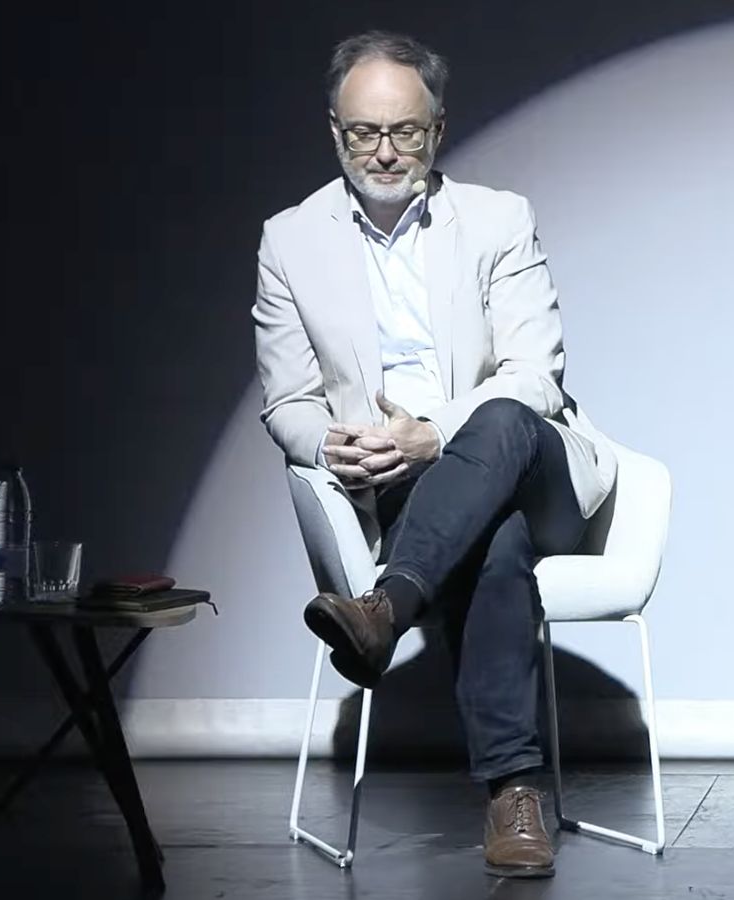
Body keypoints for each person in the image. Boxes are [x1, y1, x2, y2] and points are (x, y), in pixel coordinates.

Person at [252, 30, 616, 879]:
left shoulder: (497, 218)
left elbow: (535, 376)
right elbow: (288, 403)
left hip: (537, 471)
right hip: (412, 492)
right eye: (364, 133)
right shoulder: (290, 240)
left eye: (404, 132)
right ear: (333, 130)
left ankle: (384, 609)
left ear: (438, 130)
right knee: (494, 545)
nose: (384, 151)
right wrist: (333, 443)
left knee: (496, 421)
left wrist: (434, 431)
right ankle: (512, 794)